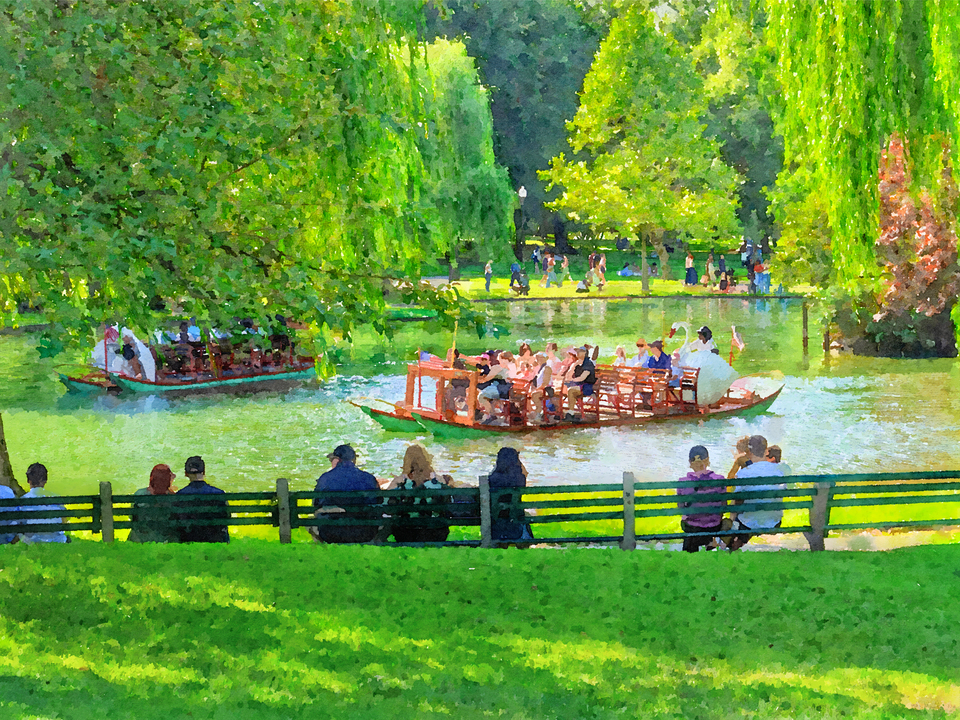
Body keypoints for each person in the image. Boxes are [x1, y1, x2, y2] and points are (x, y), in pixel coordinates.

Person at [312, 444, 382, 544]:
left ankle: (324, 547)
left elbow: (316, 503)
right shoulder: (368, 478)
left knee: (316, 515)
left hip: (331, 533)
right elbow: (378, 501)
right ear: (354, 459)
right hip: (365, 532)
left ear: (337, 459)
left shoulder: (325, 478)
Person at [384, 444, 451, 543]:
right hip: (435, 532)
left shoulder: (400, 483)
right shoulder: (438, 482)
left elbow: (387, 509)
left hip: (405, 534)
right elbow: (449, 506)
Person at [729, 435, 786, 551]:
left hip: (749, 522)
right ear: (766, 451)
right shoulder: (779, 471)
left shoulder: (744, 473)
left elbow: (736, 499)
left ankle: (731, 541)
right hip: (773, 521)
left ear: (749, 452)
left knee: (737, 503)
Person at [677, 446, 728, 552]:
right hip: (714, 525)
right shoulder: (720, 480)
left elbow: (681, 508)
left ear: (690, 462)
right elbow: (723, 506)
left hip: (691, 526)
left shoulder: (682, 482)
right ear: (707, 460)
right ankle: (709, 541)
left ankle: (692, 549)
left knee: (687, 523)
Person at [175, 456, 230, 543]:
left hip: (189, 538)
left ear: (186, 473)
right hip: (215, 538)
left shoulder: (180, 495)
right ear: (203, 472)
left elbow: (177, 520)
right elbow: (226, 516)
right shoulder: (218, 493)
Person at [487, 447, 533, 545]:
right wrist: (518, 461)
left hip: (496, 524)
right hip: (515, 523)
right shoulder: (519, 479)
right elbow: (525, 473)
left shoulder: (492, 479)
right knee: (521, 513)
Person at [128, 464, 180, 543]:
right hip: (164, 538)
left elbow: (132, 517)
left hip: (140, 538)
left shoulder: (139, 494)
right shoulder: (173, 498)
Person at [18, 463, 69, 544]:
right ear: (45, 481)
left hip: (32, 541)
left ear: (28, 481)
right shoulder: (55, 497)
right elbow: (64, 520)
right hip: (56, 539)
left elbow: (19, 524)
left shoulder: (22, 501)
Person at [476, 353, 512, 424]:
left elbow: (487, 378)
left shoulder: (497, 367)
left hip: (498, 389)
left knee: (481, 397)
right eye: (502, 359)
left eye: (505, 359)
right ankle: (489, 415)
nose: (504, 361)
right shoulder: (509, 368)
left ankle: (490, 415)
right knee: (485, 395)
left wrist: (477, 380)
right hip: (505, 390)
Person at [563, 346, 596, 421]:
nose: (577, 353)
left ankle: (570, 413)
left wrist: (571, 380)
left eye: (580, 351)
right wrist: (574, 365)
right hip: (578, 385)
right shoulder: (577, 363)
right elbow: (568, 376)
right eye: (577, 351)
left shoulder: (588, 364)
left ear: (585, 353)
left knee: (571, 391)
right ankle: (560, 412)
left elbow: (582, 378)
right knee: (563, 389)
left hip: (587, 387)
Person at [528, 353, 553, 422]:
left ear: (545, 359)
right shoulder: (539, 369)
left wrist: (537, 390)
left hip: (547, 390)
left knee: (535, 395)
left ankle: (538, 414)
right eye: (538, 358)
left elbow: (545, 382)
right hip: (541, 389)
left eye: (541, 358)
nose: (539, 359)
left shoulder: (547, 368)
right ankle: (534, 413)